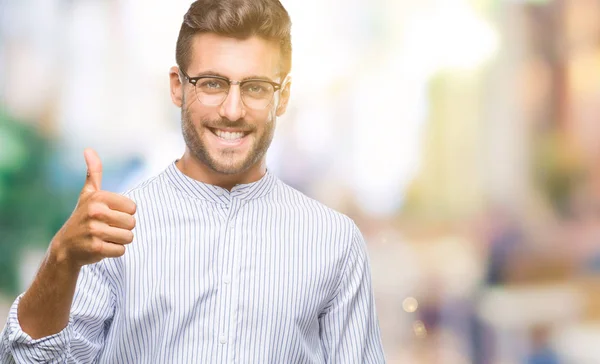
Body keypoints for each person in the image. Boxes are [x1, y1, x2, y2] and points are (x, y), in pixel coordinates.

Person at [0, 0, 386, 362]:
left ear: (282, 97)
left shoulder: (335, 242)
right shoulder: (110, 232)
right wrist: (61, 259)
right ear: (177, 86)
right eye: (213, 83)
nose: (232, 110)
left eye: (254, 87)